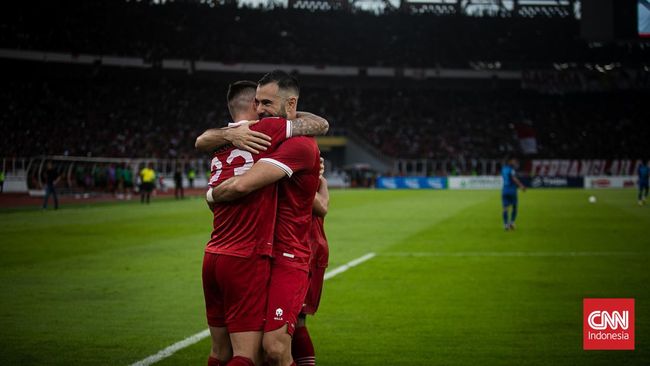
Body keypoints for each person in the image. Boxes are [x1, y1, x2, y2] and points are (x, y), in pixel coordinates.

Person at [198, 79, 329, 366]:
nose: (261, 108)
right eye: (258, 102)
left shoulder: (220, 140)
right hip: (254, 253)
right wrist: (320, 180)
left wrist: (209, 195)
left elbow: (200, 140)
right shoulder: (268, 132)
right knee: (256, 352)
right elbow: (321, 124)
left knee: (265, 346)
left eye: (266, 102)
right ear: (251, 106)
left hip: (277, 252)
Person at [292, 158, 329, 366]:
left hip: (305, 250)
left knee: (293, 322)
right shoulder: (307, 173)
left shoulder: (296, 174)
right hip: (308, 248)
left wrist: (321, 181)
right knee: (292, 322)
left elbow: (321, 207)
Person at [501, 158, 526, 231]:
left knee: (505, 208)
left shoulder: (503, 169)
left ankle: (505, 224)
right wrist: (521, 186)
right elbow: (513, 178)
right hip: (511, 190)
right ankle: (511, 222)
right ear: (510, 162)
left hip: (504, 190)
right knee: (514, 207)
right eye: (514, 162)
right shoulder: (511, 170)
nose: (515, 163)